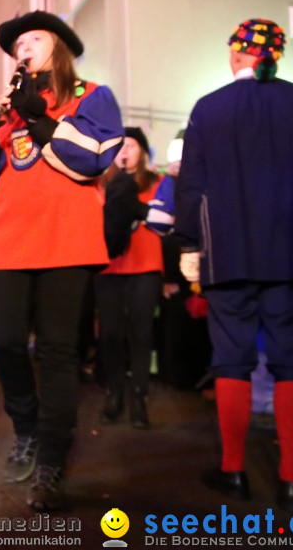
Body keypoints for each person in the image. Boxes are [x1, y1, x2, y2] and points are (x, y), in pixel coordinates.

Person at [175, 18, 293, 512]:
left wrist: (188, 246)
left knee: (231, 360)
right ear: (277, 54)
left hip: (227, 254)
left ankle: (235, 471)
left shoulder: (208, 109)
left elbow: (191, 186)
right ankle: (292, 478)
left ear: (235, 54)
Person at [0, 11, 123, 511]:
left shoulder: (91, 94)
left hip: (67, 239)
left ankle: (52, 459)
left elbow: (96, 157)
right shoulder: (10, 107)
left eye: (33, 38)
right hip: (6, 239)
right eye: (17, 43)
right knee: (5, 341)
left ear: (58, 46)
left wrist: (39, 118)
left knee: (58, 352)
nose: (22, 48)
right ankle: (26, 427)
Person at [96, 127, 174, 429]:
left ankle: (139, 396)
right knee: (111, 333)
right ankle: (114, 392)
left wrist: (137, 211)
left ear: (142, 150)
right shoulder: (101, 183)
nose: (125, 152)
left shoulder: (157, 182)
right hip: (109, 267)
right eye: (120, 147)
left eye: (130, 145)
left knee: (141, 332)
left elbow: (166, 220)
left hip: (145, 266)